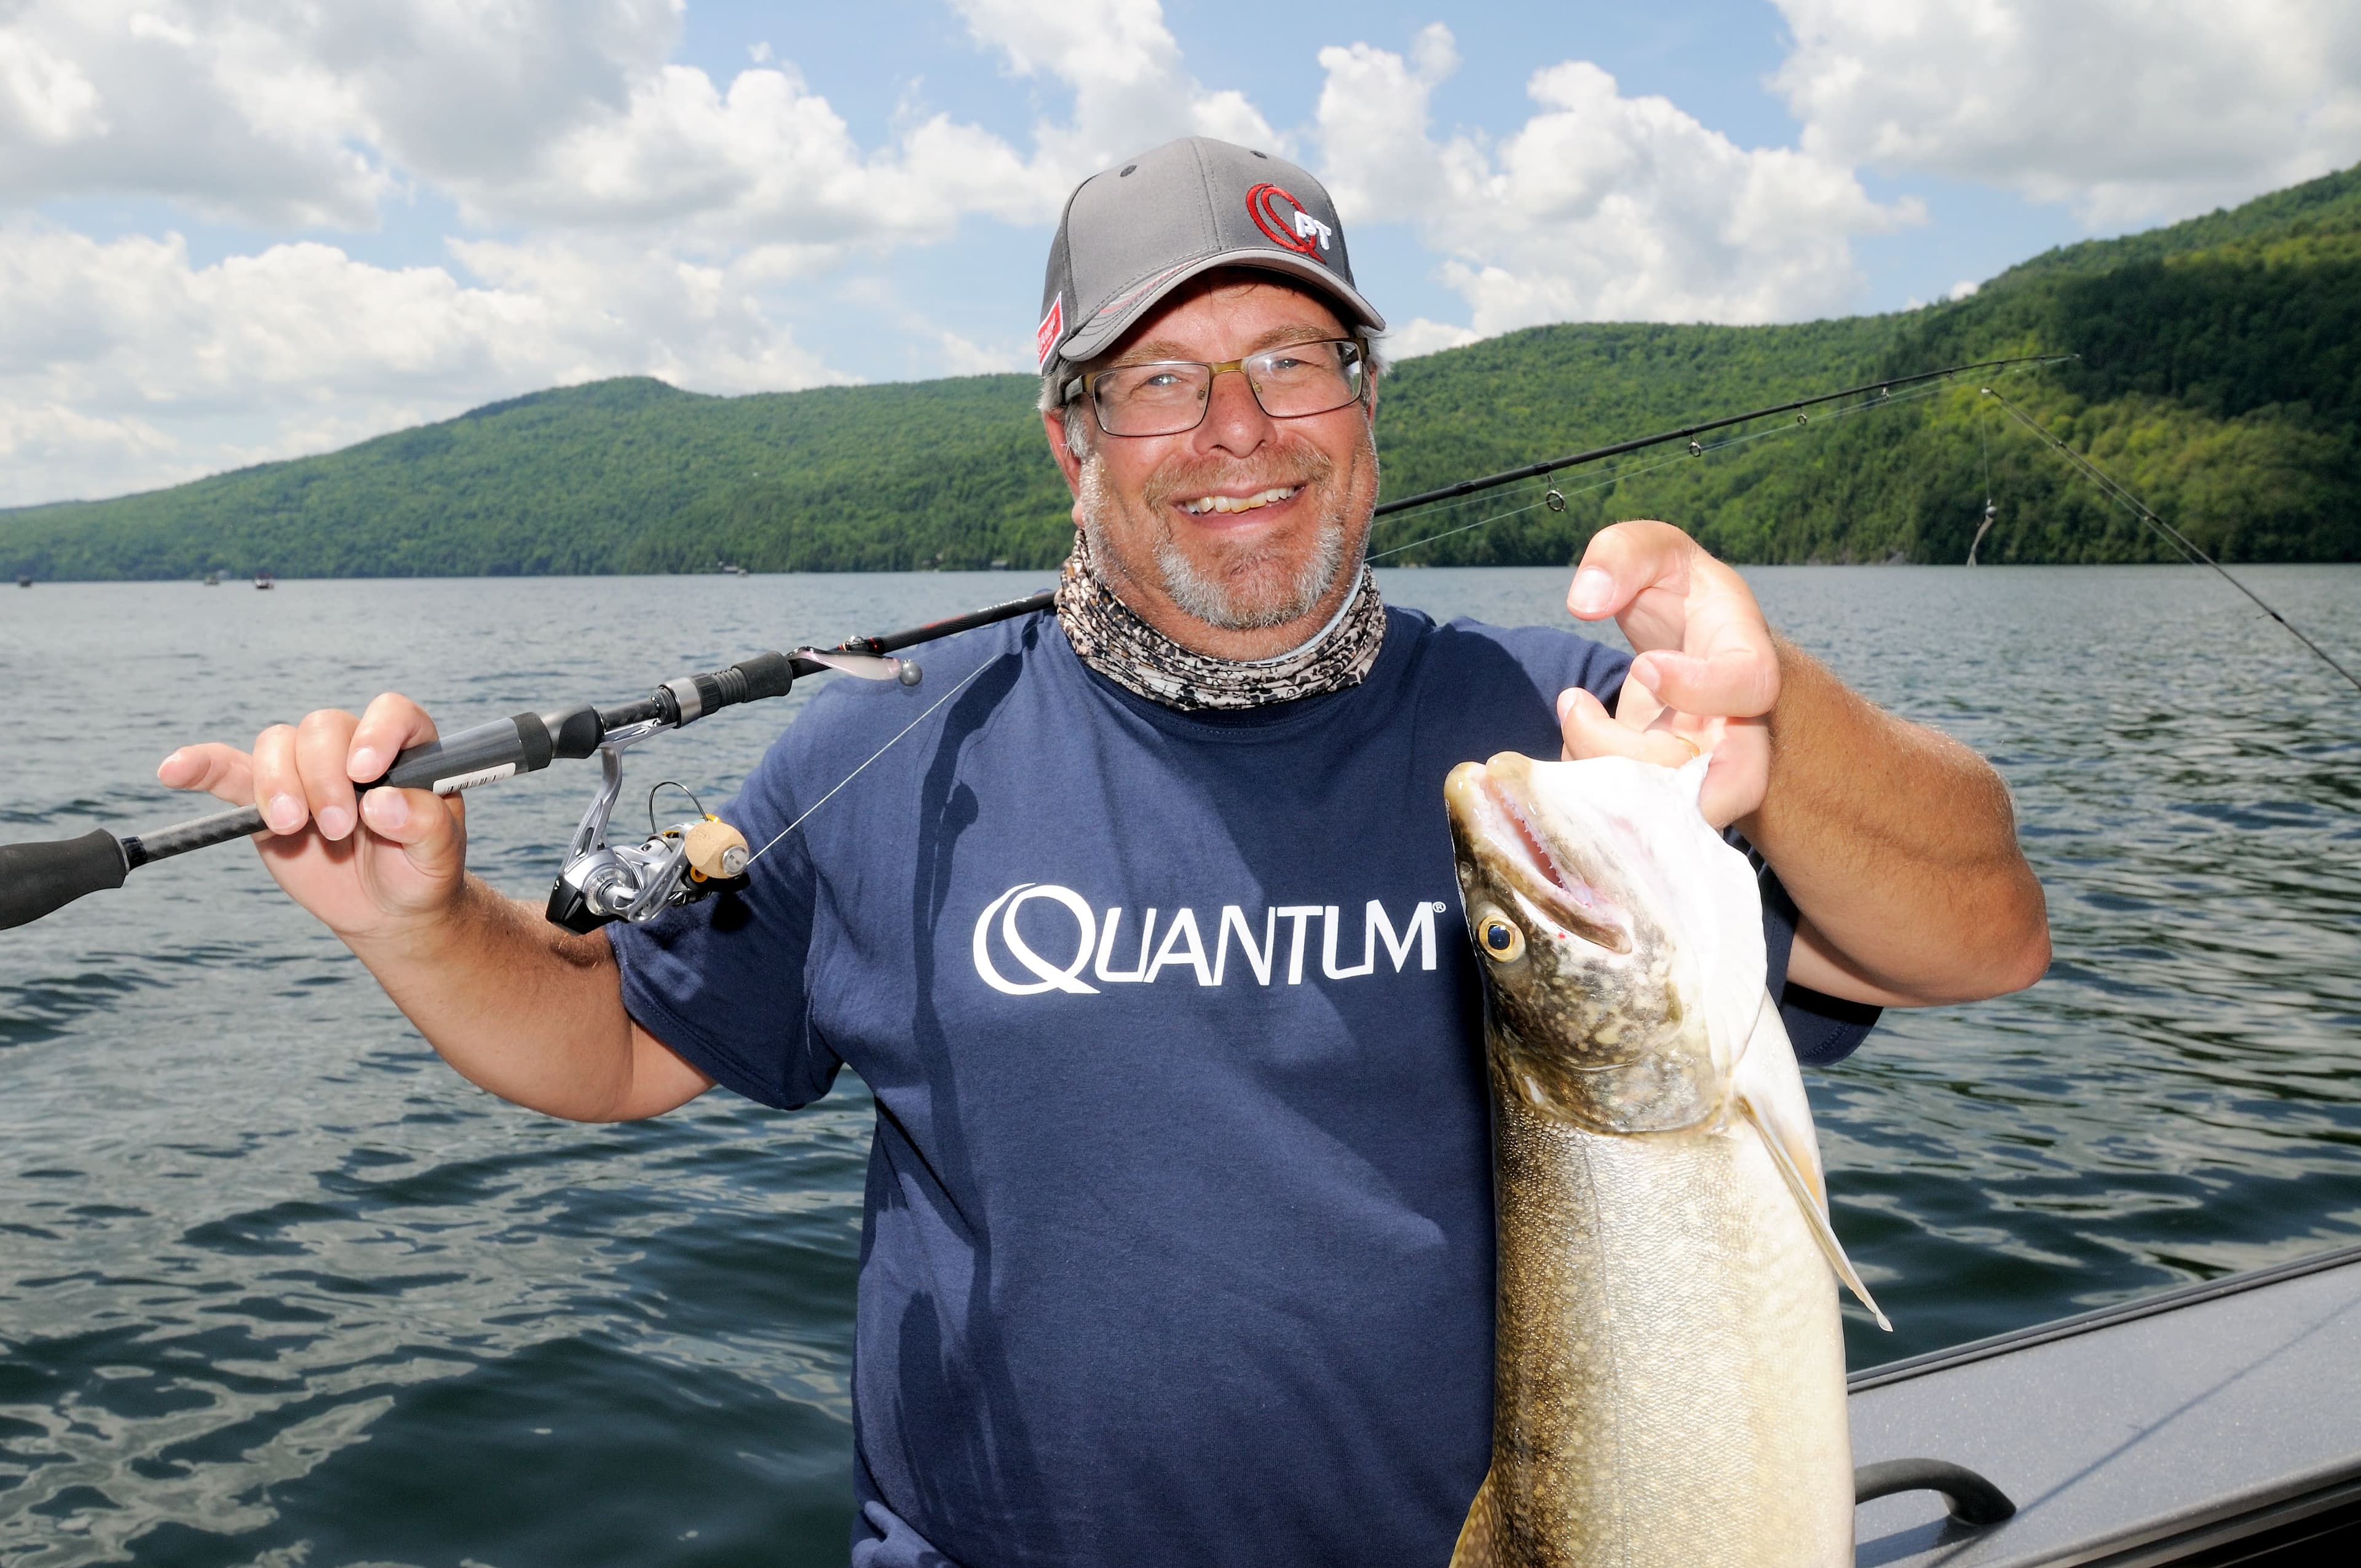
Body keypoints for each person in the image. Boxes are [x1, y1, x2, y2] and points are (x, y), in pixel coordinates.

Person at [159, 137, 2049, 1566]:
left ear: (1369, 406)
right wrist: (416, 922)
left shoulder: (1573, 754)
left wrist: (1773, 713)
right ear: (1071, 440)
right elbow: (618, 1041)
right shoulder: (889, 744)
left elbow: (1974, 933)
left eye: (1294, 363)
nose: (1236, 430)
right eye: (1158, 380)